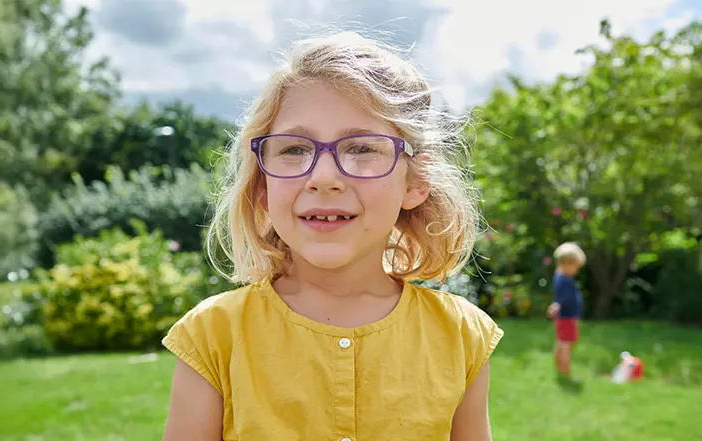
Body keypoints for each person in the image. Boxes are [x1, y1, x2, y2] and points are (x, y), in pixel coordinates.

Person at [160, 30, 504, 441]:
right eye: (294, 150)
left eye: (362, 148)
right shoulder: (213, 336)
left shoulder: (460, 335)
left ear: (415, 181)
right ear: (262, 185)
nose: (324, 178)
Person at [546, 242, 586, 384]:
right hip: (568, 317)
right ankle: (567, 374)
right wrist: (557, 305)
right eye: (576, 267)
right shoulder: (566, 280)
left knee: (561, 342)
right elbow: (563, 299)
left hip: (563, 318)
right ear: (568, 265)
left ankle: (560, 370)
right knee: (566, 345)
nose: (577, 270)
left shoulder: (559, 276)